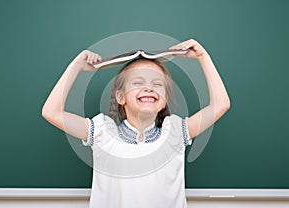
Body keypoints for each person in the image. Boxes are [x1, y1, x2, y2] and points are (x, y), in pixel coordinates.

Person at [42, 39, 230, 208]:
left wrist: (202, 57)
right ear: (121, 97)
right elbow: (51, 112)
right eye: (138, 82)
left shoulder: (174, 132)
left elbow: (221, 104)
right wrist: (76, 66)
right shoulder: (102, 133)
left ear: (164, 100)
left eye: (157, 84)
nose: (149, 87)